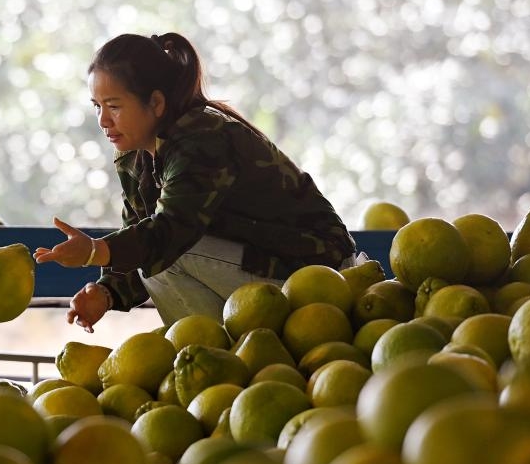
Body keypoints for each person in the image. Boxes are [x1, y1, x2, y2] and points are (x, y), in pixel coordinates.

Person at [33, 32, 357, 332]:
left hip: (320, 273)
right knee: (156, 258)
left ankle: (216, 363)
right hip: (263, 268)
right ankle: (214, 365)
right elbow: (140, 236)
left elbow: (169, 234)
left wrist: (93, 251)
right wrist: (105, 293)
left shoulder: (202, 141)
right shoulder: (136, 156)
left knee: (166, 258)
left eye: (114, 106)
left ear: (156, 103)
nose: (103, 121)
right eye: (97, 107)